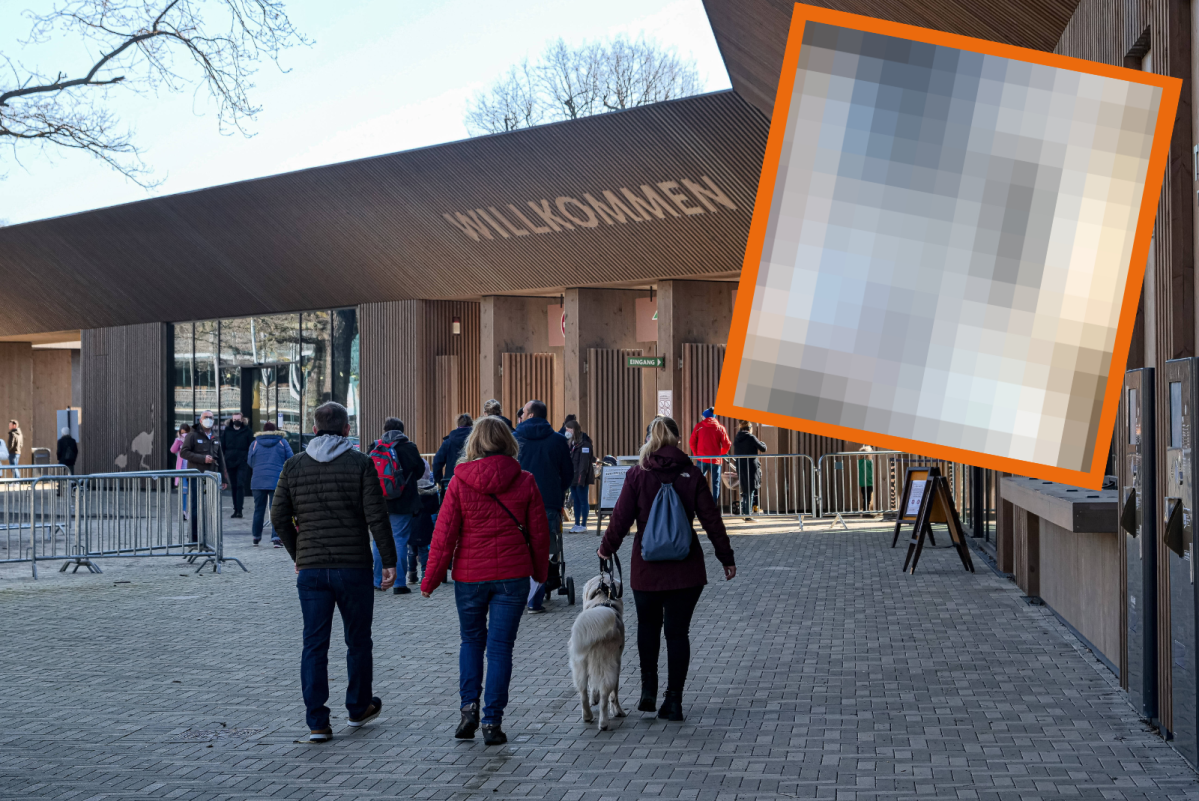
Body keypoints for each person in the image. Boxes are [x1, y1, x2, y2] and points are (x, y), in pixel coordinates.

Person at [420, 415, 550, 746]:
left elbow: (444, 534)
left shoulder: (459, 481)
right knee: (501, 649)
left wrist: (431, 579)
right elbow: (539, 535)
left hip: (469, 576)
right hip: (513, 576)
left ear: (473, 442)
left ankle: (468, 709)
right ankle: (493, 722)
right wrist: (540, 573)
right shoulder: (525, 481)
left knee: (471, 642)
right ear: (509, 441)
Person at [272, 401, 397, 743]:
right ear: (346, 430)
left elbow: (278, 517)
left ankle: (317, 722)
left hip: (311, 571)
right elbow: (377, 516)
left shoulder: (293, 465)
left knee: (314, 644)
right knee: (358, 640)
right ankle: (358, 707)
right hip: (353, 567)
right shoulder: (361, 463)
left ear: (313, 429)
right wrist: (389, 561)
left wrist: (298, 553)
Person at [599, 416, 736, 722]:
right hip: (686, 569)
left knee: (647, 627)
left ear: (649, 439)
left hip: (646, 568)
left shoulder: (637, 474)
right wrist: (725, 557)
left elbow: (620, 518)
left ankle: (648, 689)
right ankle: (673, 700)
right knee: (677, 633)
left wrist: (606, 548)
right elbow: (711, 519)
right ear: (676, 439)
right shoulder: (691, 473)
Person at [514, 399, 572, 613]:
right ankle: (535, 601)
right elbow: (568, 474)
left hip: (518, 506)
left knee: (518, 550)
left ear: (529, 415)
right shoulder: (558, 440)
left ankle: (517, 596)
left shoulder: (514, 438)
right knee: (543, 552)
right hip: (549, 504)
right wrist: (557, 490)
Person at [368, 417, 425, 594]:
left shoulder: (375, 447)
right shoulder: (409, 447)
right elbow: (420, 471)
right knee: (399, 540)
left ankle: (378, 581)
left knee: (379, 540)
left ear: (384, 430)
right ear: (402, 430)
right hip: (403, 501)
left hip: (378, 502)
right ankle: (399, 583)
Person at [180, 410, 230, 542]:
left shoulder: (215, 437)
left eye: (211, 418)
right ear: (200, 420)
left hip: (212, 477)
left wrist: (224, 479)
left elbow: (221, 459)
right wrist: (202, 459)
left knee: (211, 507)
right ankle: (195, 537)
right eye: (206, 417)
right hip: (197, 476)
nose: (209, 419)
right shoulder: (192, 435)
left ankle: (208, 536)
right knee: (196, 507)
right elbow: (184, 453)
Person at [247, 422, 294, 546]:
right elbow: (290, 460)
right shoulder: (282, 442)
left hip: (258, 480)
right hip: (277, 481)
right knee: (276, 510)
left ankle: (256, 536)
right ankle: (276, 538)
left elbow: (250, 462)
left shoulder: (255, 443)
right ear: (275, 430)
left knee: (258, 510)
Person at [688, 408, 730, 502]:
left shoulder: (699, 426)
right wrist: (721, 453)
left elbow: (692, 442)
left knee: (697, 482)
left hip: (702, 459)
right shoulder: (720, 427)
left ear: (705, 416)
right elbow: (727, 445)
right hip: (715, 460)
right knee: (715, 484)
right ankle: (713, 507)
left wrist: (696, 454)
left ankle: (696, 505)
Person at [408, 459, 439, 585]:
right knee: (424, 550)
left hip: (411, 523)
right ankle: (425, 574)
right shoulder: (431, 489)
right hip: (426, 523)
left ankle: (412, 574)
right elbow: (434, 508)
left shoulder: (410, 488)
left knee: (411, 551)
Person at [220, 411, 253, 519]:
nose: (236, 421)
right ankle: (235, 509)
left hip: (242, 462)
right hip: (230, 462)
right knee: (234, 486)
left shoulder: (247, 431)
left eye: (238, 419)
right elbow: (222, 447)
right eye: (234, 419)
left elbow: (251, 447)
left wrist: (247, 459)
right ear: (232, 420)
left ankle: (240, 510)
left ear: (242, 419)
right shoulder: (227, 431)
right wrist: (223, 462)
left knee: (240, 485)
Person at [732, 421, 767, 521]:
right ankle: (748, 515)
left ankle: (744, 513)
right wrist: (763, 443)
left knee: (745, 490)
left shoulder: (737, 438)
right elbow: (763, 448)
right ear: (750, 428)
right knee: (751, 490)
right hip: (751, 466)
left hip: (740, 466)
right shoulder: (751, 437)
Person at [564, 419, 594, 533]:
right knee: (575, 501)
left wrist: (581, 478)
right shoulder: (571, 443)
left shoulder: (584, 444)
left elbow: (584, 463)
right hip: (573, 477)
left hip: (581, 477)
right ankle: (576, 523)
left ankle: (583, 524)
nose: (567, 431)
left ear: (574, 430)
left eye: (569, 429)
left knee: (583, 500)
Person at [432, 413, 473, 489]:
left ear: (458, 425)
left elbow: (437, 462)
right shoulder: (476, 441)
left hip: (451, 481)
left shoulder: (448, 442)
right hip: (472, 482)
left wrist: (440, 481)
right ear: (471, 425)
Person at [170, 424, 192, 520]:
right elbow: (173, 450)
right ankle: (184, 511)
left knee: (189, 492)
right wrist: (178, 440)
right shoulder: (179, 441)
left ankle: (189, 511)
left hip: (192, 470)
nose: (184, 435)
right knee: (184, 492)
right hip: (183, 470)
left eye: (185, 432)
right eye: (182, 433)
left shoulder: (192, 439)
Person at [858, 444, 875, 513]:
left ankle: (865, 509)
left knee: (865, 497)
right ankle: (866, 510)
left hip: (862, 483)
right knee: (868, 497)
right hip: (869, 482)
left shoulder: (860, 462)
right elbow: (869, 473)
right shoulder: (869, 462)